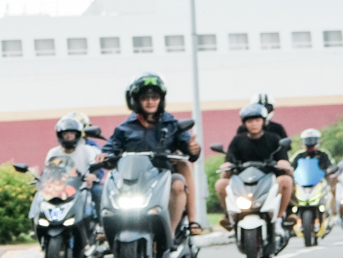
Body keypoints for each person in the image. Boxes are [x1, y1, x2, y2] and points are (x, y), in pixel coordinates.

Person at [98, 72, 203, 235]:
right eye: (145, 98)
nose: (150, 102)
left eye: (155, 97)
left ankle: (173, 231)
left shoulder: (172, 124)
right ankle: (105, 227)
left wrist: (192, 148)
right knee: (110, 183)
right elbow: (111, 147)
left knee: (178, 184)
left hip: (163, 177)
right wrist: (104, 155)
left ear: (161, 99)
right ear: (136, 100)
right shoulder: (124, 128)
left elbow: (188, 149)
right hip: (133, 180)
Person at [215, 102, 293, 231]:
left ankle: (278, 220)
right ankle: (231, 217)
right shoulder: (238, 140)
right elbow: (229, 159)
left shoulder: (274, 138)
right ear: (244, 123)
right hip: (243, 180)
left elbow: (283, 159)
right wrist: (226, 165)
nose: (254, 124)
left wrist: (283, 163)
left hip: (268, 177)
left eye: (257, 120)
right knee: (221, 183)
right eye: (250, 121)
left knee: (286, 180)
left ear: (263, 121)